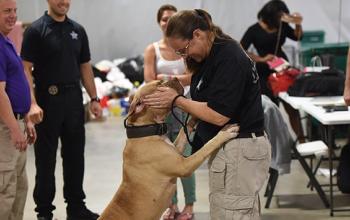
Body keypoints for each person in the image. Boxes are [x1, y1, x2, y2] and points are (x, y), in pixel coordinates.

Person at [143, 9, 271, 220]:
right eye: (180, 54)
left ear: (197, 34)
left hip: (240, 147)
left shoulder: (229, 58)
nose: (185, 57)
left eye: (184, 50)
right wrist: (185, 133)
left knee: (233, 213)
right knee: (228, 211)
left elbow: (218, 115)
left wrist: (176, 100)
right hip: (228, 147)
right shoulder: (208, 57)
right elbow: (203, 101)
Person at [20, 0, 102, 219]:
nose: (63, 2)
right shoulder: (36, 30)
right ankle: (44, 212)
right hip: (47, 100)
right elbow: (25, 68)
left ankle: (76, 207)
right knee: (45, 159)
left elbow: (85, 65)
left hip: (74, 100)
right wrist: (32, 103)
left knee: (75, 156)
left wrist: (94, 98)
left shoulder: (78, 30)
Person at [143, 4, 195, 220]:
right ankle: (170, 205)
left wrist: (168, 82)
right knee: (165, 158)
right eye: (164, 19)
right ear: (159, 22)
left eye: (172, 18)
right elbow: (148, 79)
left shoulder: (186, 47)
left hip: (186, 105)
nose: (168, 21)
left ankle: (189, 205)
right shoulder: (152, 49)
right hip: (160, 109)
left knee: (185, 156)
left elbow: (193, 76)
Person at [241, 0, 304, 142]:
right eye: (279, 15)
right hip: (263, 73)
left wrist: (298, 23)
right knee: (270, 109)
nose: (282, 18)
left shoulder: (282, 25)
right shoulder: (254, 30)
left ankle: (302, 141)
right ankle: (272, 146)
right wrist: (261, 59)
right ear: (270, 15)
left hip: (282, 70)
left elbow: (298, 36)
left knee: (292, 107)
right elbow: (241, 49)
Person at [0, 0, 36, 219]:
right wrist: (14, 129)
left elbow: (16, 85)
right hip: (5, 130)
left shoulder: (6, 42)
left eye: (14, 11)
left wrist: (26, 120)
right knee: (5, 190)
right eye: (6, 11)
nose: (12, 16)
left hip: (16, 123)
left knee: (19, 189)